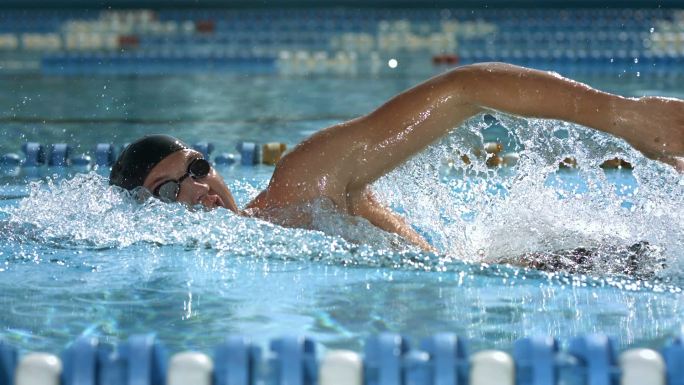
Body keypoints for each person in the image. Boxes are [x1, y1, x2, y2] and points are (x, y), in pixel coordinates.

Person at [110, 62, 684, 252]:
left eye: (197, 167)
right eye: (167, 190)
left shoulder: (300, 185)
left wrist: (624, 117)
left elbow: (463, 90)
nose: (198, 189)